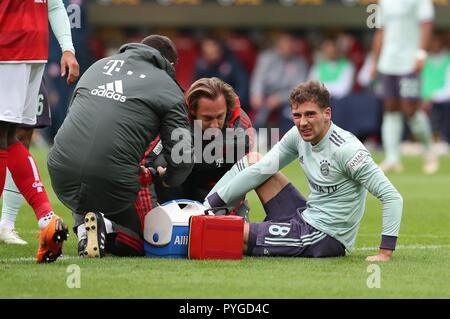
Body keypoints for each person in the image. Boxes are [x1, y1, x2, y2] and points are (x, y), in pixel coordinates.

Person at [204, 81, 403, 261]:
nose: (303, 122)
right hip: (305, 214)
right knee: (254, 161)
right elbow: (260, 170)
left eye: (310, 114)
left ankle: (203, 224)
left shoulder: (347, 151)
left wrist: (385, 252)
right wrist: (208, 205)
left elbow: (392, 197)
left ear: (327, 114)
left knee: (228, 236)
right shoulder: (298, 135)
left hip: (324, 237)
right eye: (297, 115)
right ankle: (202, 210)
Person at [47, 35, 194, 258]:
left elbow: (73, 117)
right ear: (170, 65)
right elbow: (182, 157)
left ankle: (84, 231)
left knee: (84, 187)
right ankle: (107, 227)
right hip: (111, 177)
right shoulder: (168, 87)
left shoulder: (98, 65)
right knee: (143, 243)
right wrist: (168, 178)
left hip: (60, 168)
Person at [0, 0, 79, 262]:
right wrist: (67, 48)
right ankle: (46, 217)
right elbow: (55, 5)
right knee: (12, 137)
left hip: (8, 49)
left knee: (3, 136)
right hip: (34, 51)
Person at [151, 77, 253, 218]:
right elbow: (149, 160)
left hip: (217, 183)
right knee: (160, 163)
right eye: (207, 118)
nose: (214, 125)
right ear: (192, 111)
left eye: (219, 117)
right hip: (182, 178)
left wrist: (228, 214)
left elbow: (242, 178)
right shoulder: (175, 117)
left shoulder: (242, 126)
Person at [371, 0, 438, 174]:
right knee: (390, 108)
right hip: (388, 62)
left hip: (409, 62)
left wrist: (421, 53)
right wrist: (374, 61)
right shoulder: (384, 2)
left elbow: (427, 24)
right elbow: (380, 30)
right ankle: (392, 158)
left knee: (411, 109)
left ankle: (429, 151)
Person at [250, 31, 308, 136]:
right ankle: (257, 140)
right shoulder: (266, 57)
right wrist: (256, 94)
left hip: (287, 98)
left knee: (292, 112)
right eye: (284, 43)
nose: (288, 46)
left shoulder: (300, 62)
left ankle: (286, 143)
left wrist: (279, 98)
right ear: (278, 45)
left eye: (290, 43)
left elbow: (299, 88)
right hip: (265, 95)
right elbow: (258, 78)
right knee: (258, 115)